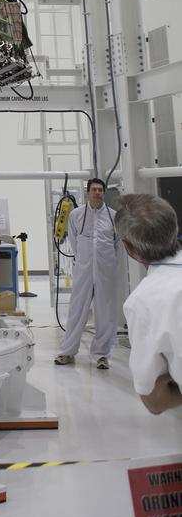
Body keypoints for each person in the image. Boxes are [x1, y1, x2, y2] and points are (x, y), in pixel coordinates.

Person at [114, 193, 182, 415]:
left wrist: (171, 376)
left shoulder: (142, 302)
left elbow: (155, 400)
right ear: (175, 228)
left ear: (128, 247)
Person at [55, 177, 121, 369]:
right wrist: (84, 260)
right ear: (88, 192)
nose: (98, 193)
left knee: (105, 312)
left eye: (101, 190)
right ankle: (67, 352)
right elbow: (74, 241)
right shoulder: (76, 215)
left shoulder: (113, 216)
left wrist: (106, 263)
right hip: (84, 269)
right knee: (77, 309)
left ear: (104, 193)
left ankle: (102, 355)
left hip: (105, 270)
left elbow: (118, 244)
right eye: (94, 190)